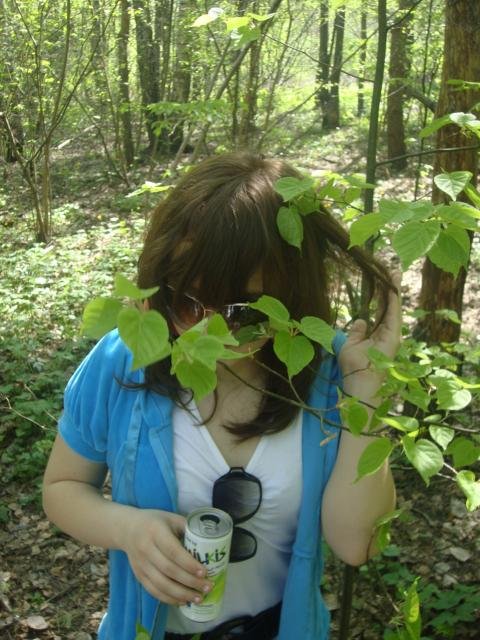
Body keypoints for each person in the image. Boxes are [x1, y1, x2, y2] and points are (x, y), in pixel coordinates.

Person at [43, 152, 400, 640]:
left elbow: (357, 545)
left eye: (243, 310)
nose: (208, 331)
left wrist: (367, 391)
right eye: (188, 302)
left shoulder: (331, 377)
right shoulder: (123, 359)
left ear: (294, 293)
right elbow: (63, 487)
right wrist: (127, 529)